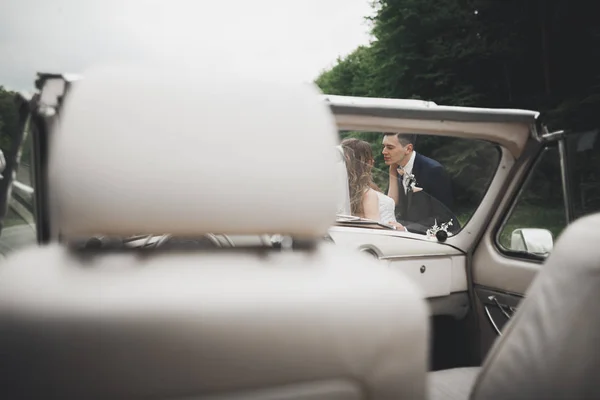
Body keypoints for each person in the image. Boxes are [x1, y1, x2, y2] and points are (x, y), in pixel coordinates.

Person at [382, 132, 457, 234]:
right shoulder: (396, 168)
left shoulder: (433, 170)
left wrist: (406, 229)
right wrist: (392, 175)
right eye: (384, 147)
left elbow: (444, 216)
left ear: (408, 149)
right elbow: (392, 205)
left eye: (390, 147)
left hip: (439, 237)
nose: (384, 151)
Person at [340, 138, 401, 227]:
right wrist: (394, 229)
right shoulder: (367, 194)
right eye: (370, 157)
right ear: (367, 162)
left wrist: (392, 172)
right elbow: (373, 228)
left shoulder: (346, 190)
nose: (373, 161)